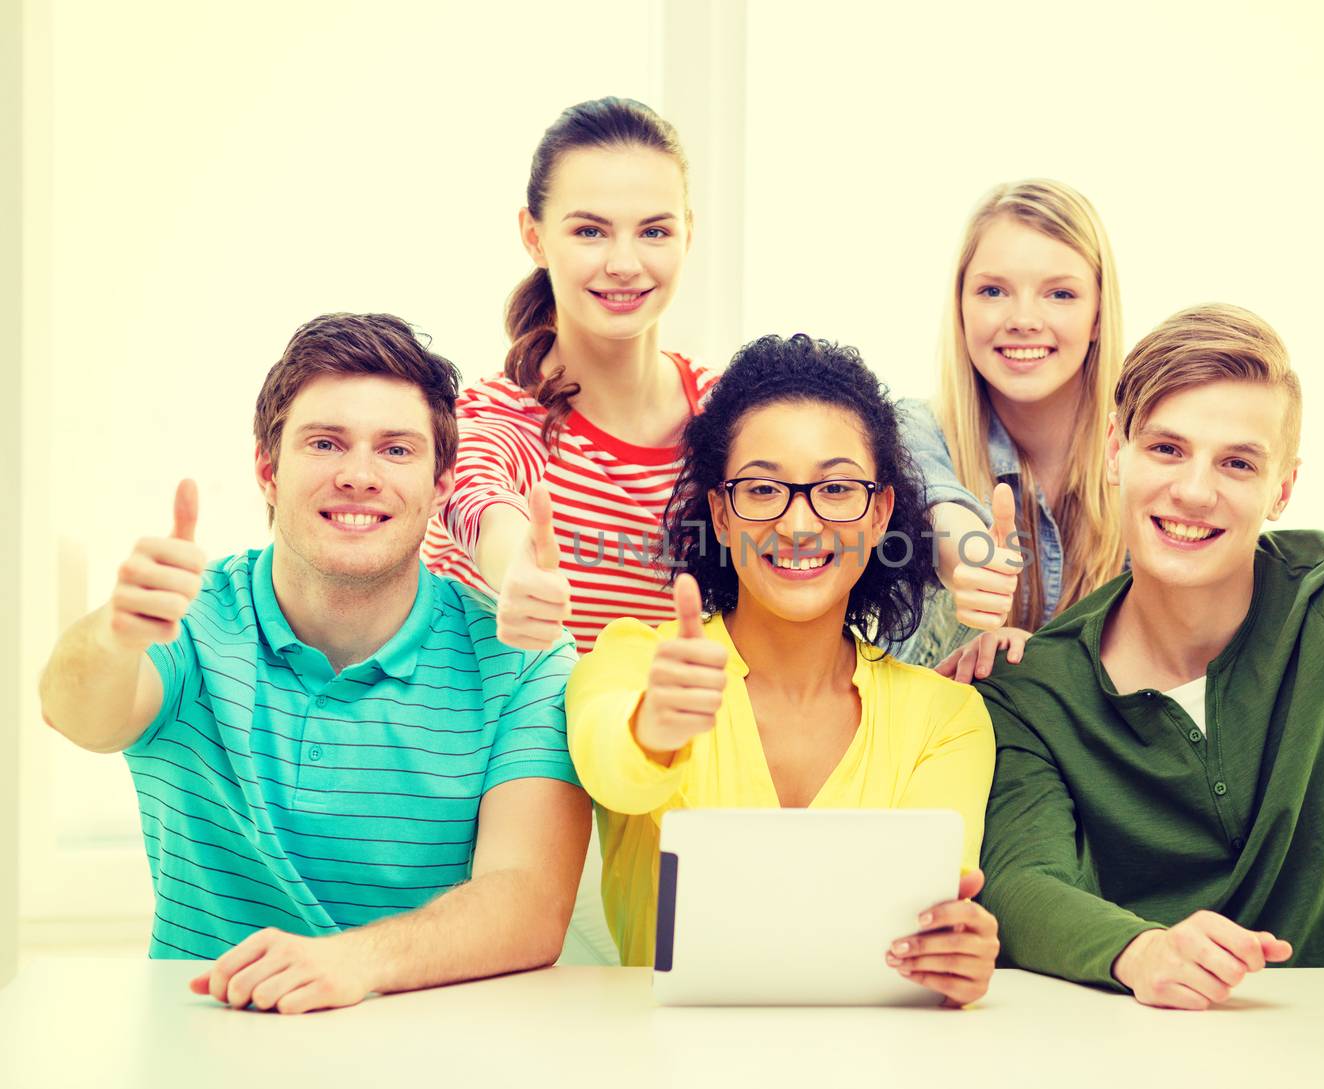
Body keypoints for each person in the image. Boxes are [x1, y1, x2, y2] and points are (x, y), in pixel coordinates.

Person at [38, 314, 589, 1014]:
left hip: (431, 1048)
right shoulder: (191, 619)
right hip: (204, 1044)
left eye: (395, 449)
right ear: (268, 470)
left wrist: (352, 962)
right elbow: (72, 710)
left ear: (443, 484)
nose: (359, 475)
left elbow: (529, 903)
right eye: (325, 443)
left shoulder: (521, 663)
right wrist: (116, 636)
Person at [976, 304, 1324, 1010]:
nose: (1195, 490)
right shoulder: (1034, 688)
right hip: (1160, 1056)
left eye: (1237, 462)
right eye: (1166, 449)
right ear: (1113, 451)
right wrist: (1142, 949)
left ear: (1282, 487)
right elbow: (1020, 881)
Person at [565, 334, 1000, 1006]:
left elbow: (931, 922)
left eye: (835, 488)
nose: (800, 524)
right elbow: (607, 759)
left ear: (880, 512)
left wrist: (956, 956)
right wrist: (653, 726)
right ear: (721, 510)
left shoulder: (946, 718)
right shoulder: (634, 662)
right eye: (764, 488)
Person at [422, 97, 714, 655]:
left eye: (654, 232)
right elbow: (479, 499)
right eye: (590, 232)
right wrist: (518, 572)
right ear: (534, 237)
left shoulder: (729, 412)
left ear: (688, 235)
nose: (625, 263)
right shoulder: (492, 418)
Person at [897, 179, 1128, 680]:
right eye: (994, 290)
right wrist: (969, 560)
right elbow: (938, 508)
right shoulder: (910, 430)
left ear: (1096, 315)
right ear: (961, 306)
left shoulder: (1143, 459)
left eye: (1060, 293)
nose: (1023, 319)